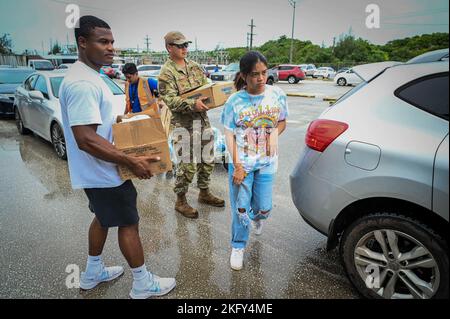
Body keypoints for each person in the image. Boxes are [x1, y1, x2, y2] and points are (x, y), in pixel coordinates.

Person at [59, 15, 176, 299]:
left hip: (95, 172)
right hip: (104, 172)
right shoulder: (82, 84)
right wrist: (130, 160)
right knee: (128, 222)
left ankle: (92, 272)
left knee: (102, 218)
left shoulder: (88, 76)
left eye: (112, 41)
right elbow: (85, 138)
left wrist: (121, 121)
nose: (111, 47)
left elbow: (94, 126)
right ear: (82, 42)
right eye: (103, 41)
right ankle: (142, 283)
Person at [220, 51, 288, 271]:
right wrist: (238, 166)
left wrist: (275, 134)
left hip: (267, 162)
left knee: (264, 207)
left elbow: (282, 121)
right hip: (242, 164)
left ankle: (257, 217)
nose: (260, 79)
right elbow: (228, 134)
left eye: (264, 73)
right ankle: (238, 245)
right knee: (241, 208)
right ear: (244, 75)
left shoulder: (277, 94)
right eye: (255, 74)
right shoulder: (234, 101)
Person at [158, 31, 225, 219]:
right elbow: (170, 100)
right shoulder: (166, 73)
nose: (184, 49)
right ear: (169, 48)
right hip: (182, 124)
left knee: (207, 159)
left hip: (202, 121)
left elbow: (206, 88)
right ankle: (180, 200)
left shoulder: (195, 67)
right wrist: (192, 104)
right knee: (186, 166)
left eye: (186, 45)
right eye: (180, 46)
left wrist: (212, 99)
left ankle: (204, 193)